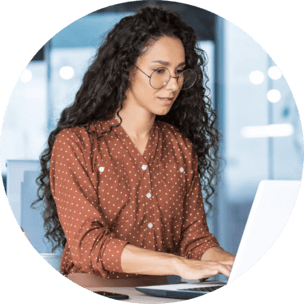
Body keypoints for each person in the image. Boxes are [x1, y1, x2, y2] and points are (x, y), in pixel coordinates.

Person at [31, 5, 235, 287]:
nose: (173, 84)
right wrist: (175, 263)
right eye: (159, 70)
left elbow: (194, 238)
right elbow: (89, 245)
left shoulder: (180, 148)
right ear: (126, 70)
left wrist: (227, 261)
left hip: (160, 291)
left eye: (178, 72)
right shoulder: (76, 144)